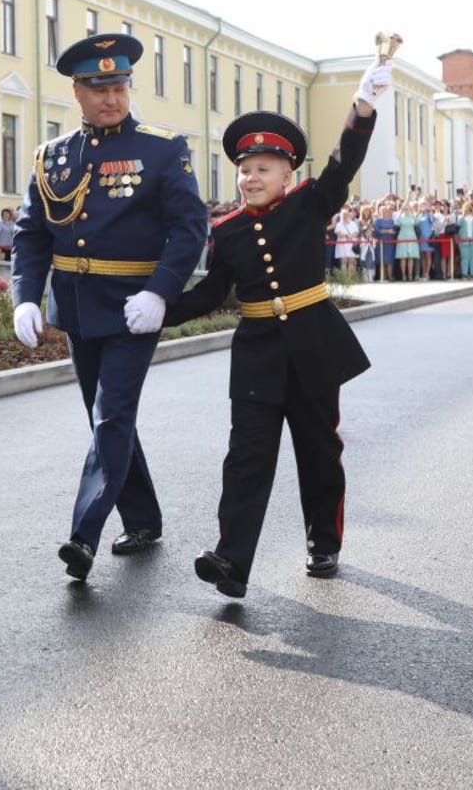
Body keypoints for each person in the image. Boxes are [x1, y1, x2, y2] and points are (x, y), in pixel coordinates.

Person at [163, 55, 389, 599]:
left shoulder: (311, 204)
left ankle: (324, 542)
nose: (251, 178)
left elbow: (342, 162)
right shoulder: (229, 229)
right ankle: (232, 561)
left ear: (288, 175)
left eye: (263, 169)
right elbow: (212, 294)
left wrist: (362, 108)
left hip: (312, 346)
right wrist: (155, 312)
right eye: (244, 169)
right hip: (257, 354)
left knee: (318, 450)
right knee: (247, 455)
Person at [11, 33, 208, 581]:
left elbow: (190, 227)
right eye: (99, 89)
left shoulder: (162, 147)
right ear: (77, 92)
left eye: (120, 86)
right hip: (77, 308)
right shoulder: (52, 156)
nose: (112, 99)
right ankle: (143, 518)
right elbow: (31, 235)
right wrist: (25, 298)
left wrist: (160, 291)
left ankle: (84, 536)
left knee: (111, 414)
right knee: (106, 421)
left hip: (134, 309)